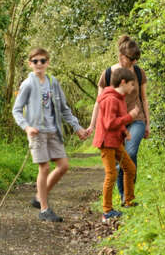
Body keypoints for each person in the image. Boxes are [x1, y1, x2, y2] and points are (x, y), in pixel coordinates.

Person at [12, 48, 88, 222]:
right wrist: (26, 127)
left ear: (48, 63)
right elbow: (16, 110)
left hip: (54, 131)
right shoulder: (28, 84)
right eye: (36, 61)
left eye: (43, 61)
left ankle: (39, 197)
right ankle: (44, 209)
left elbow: (63, 109)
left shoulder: (53, 82)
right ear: (30, 64)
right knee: (44, 168)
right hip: (37, 132)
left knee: (63, 166)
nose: (39, 64)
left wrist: (77, 127)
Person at [86, 35, 150, 205]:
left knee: (131, 153)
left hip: (137, 120)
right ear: (122, 56)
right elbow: (99, 103)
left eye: (137, 59)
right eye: (132, 59)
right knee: (117, 164)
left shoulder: (138, 72)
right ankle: (123, 197)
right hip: (115, 125)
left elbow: (144, 99)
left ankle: (128, 195)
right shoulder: (108, 74)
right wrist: (92, 126)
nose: (134, 62)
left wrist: (147, 124)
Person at [92, 68, 139, 222]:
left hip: (115, 141)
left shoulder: (119, 98)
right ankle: (107, 211)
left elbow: (116, 121)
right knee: (111, 174)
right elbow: (109, 123)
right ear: (123, 82)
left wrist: (124, 131)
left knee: (130, 168)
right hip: (107, 142)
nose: (133, 88)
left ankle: (129, 201)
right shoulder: (111, 99)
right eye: (132, 85)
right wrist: (129, 117)